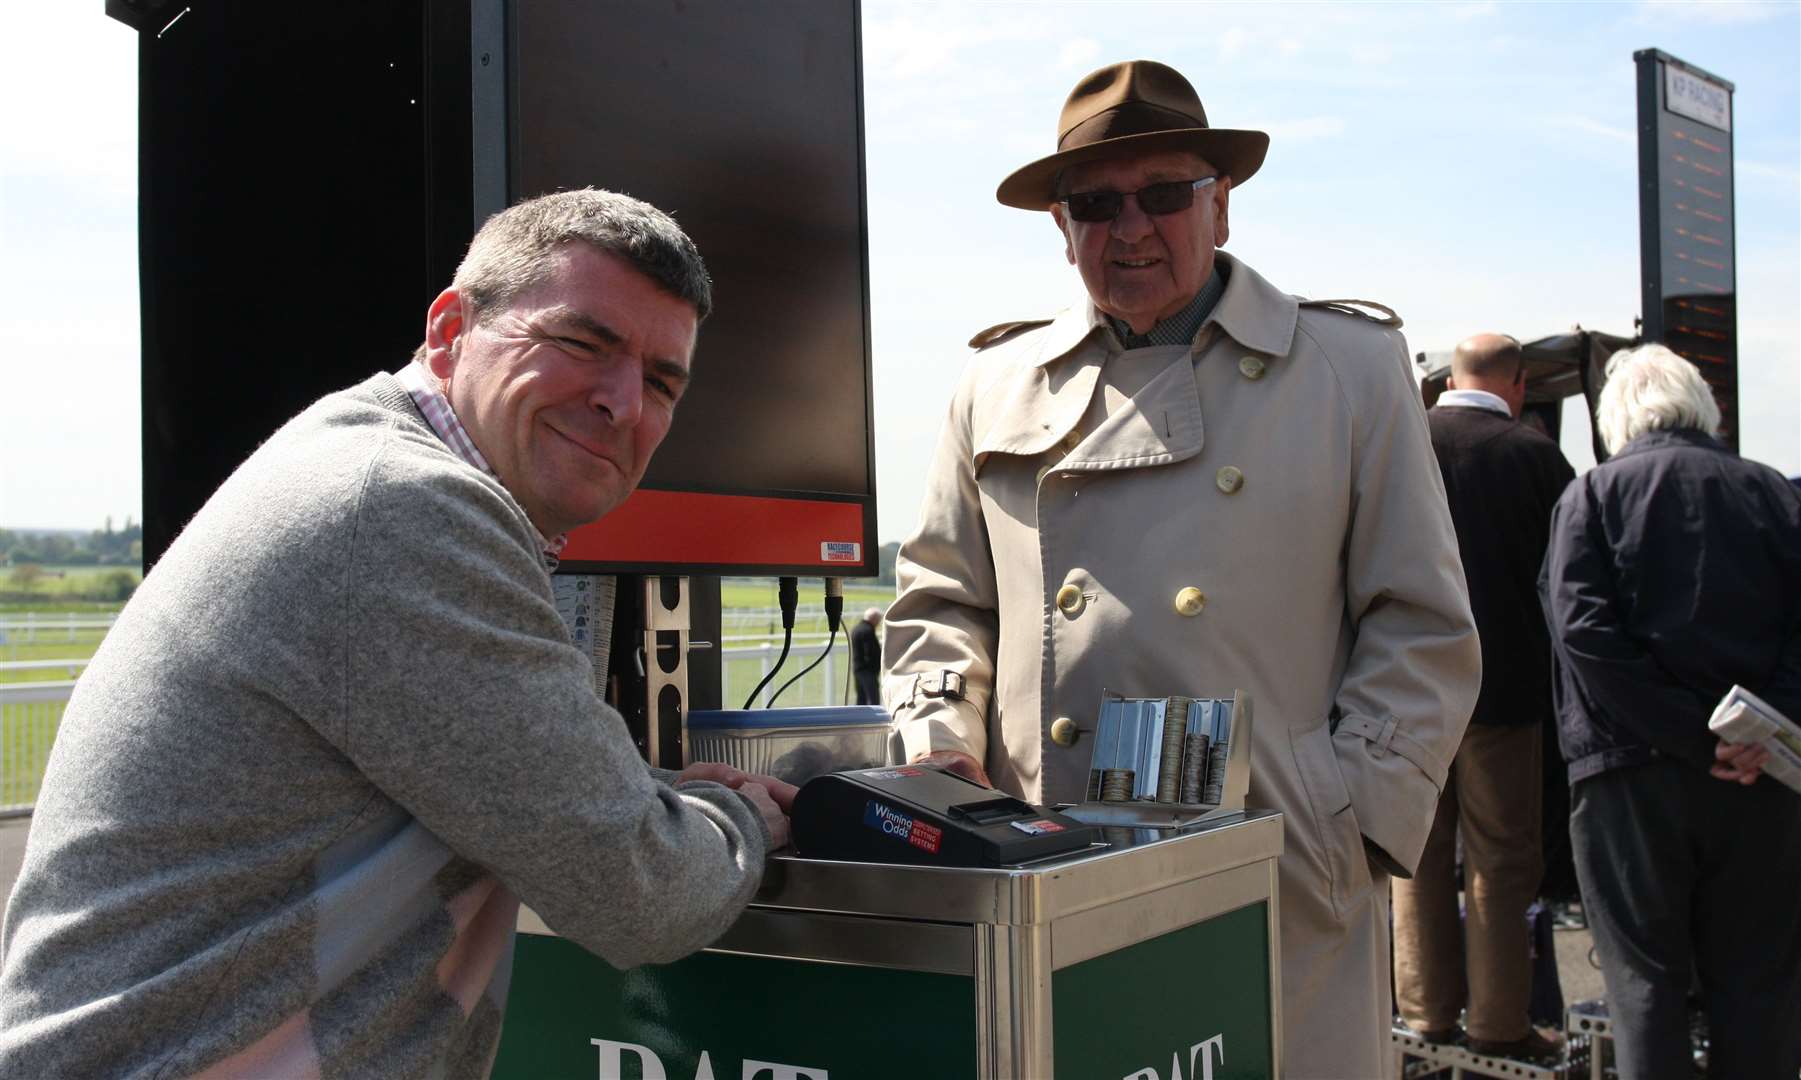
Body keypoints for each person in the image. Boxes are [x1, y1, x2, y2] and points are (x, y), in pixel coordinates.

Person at [0, 189, 793, 1078]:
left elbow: (486, 778)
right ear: (451, 331)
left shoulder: (377, 467)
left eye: (660, 380)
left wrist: (646, 792)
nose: (621, 402)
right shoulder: (404, 507)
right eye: (581, 342)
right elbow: (639, 894)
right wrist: (742, 817)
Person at [883, 59, 1479, 1078]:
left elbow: (1419, 620)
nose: (1130, 229)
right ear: (1061, 228)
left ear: (1222, 207)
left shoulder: (1347, 370)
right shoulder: (989, 384)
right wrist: (940, 760)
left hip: (1274, 864)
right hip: (1041, 864)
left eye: (1164, 195)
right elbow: (939, 603)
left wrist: (1351, 822)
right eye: (1094, 205)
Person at [1540, 343, 1801, 1080]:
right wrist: (1759, 726)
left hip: (1626, 776)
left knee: (1643, 984)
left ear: (1613, 417)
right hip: (1761, 776)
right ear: (1702, 406)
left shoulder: (1588, 497)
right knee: (1760, 985)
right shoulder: (1776, 494)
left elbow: (1583, 635)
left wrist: (1687, 734)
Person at [1394, 334, 1573, 1058]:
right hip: (1503, 694)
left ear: (1445, 379)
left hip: (1404, 691)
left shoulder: (1403, 441)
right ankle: (1500, 1024)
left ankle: (1424, 1015)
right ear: (1518, 385)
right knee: (1500, 862)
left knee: (1415, 854)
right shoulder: (1534, 456)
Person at [849, 606, 884, 705]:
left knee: (861, 699)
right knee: (873, 699)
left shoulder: (856, 629)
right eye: (878, 620)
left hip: (858, 668)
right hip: (868, 671)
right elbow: (870, 651)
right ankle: (875, 720)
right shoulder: (868, 630)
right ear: (874, 619)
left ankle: (859, 720)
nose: (878, 623)